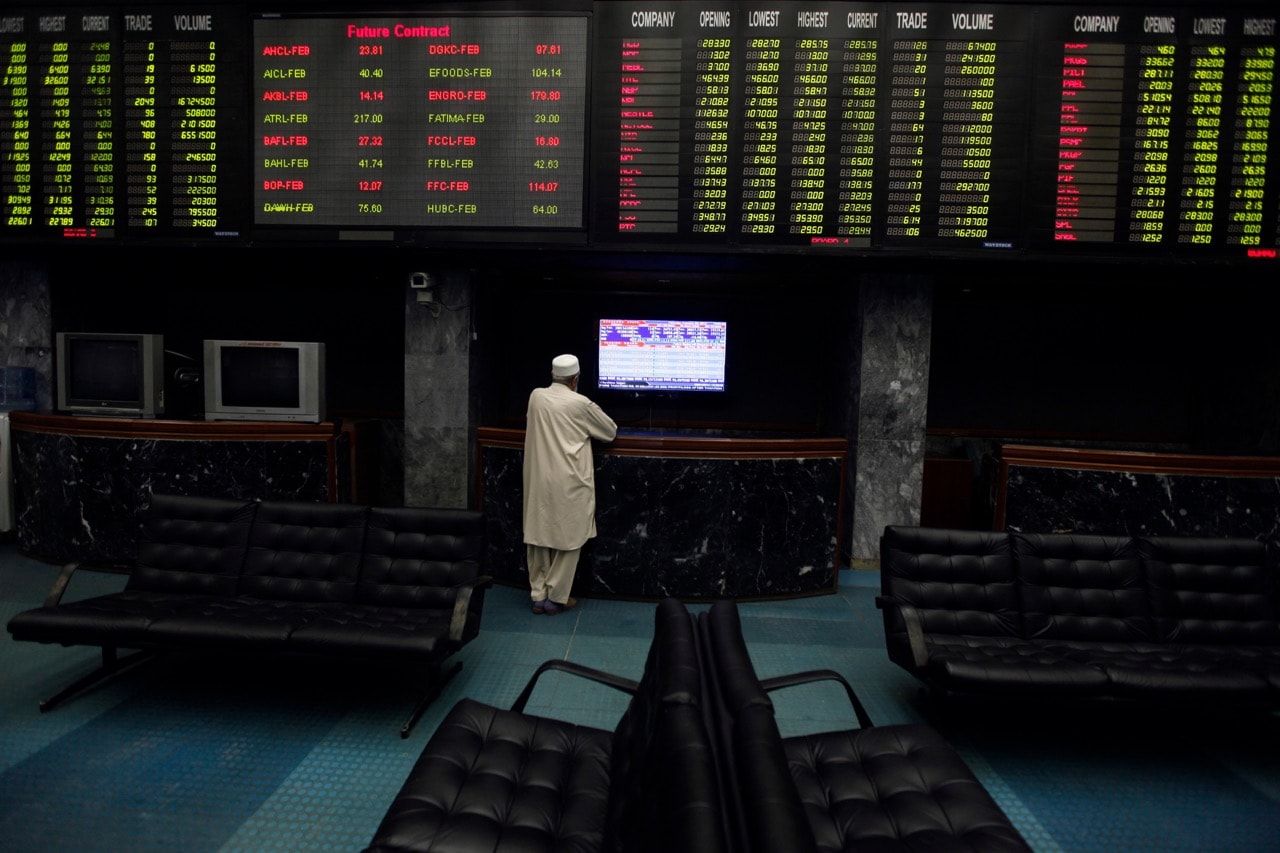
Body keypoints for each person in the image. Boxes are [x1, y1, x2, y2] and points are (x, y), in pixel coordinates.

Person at [522, 353, 617, 615]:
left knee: (538, 535)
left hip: (539, 478)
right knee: (570, 539)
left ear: (553, 375)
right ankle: (557, 597)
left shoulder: (536, 396)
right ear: (575, 379)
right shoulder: (581, 404)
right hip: (570, 481)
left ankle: (538, 595)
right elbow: (609, 431)